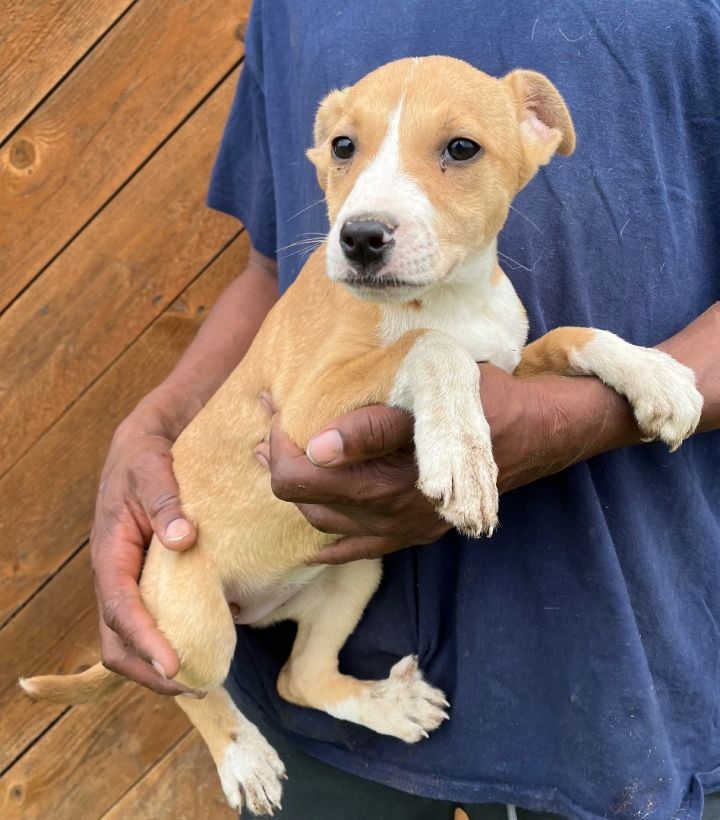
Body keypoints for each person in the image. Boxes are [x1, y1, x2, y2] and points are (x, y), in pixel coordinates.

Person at [91, 1, 720, 818]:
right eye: (347, 150)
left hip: (633, 671)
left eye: (458, 150)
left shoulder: (492, 296)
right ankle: (231, 716)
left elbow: (511, 368)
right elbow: (267, 272)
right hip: (292, 671)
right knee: (200, 659)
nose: (368, 211)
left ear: (540, 133)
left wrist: (603, 377)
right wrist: (154, 421)